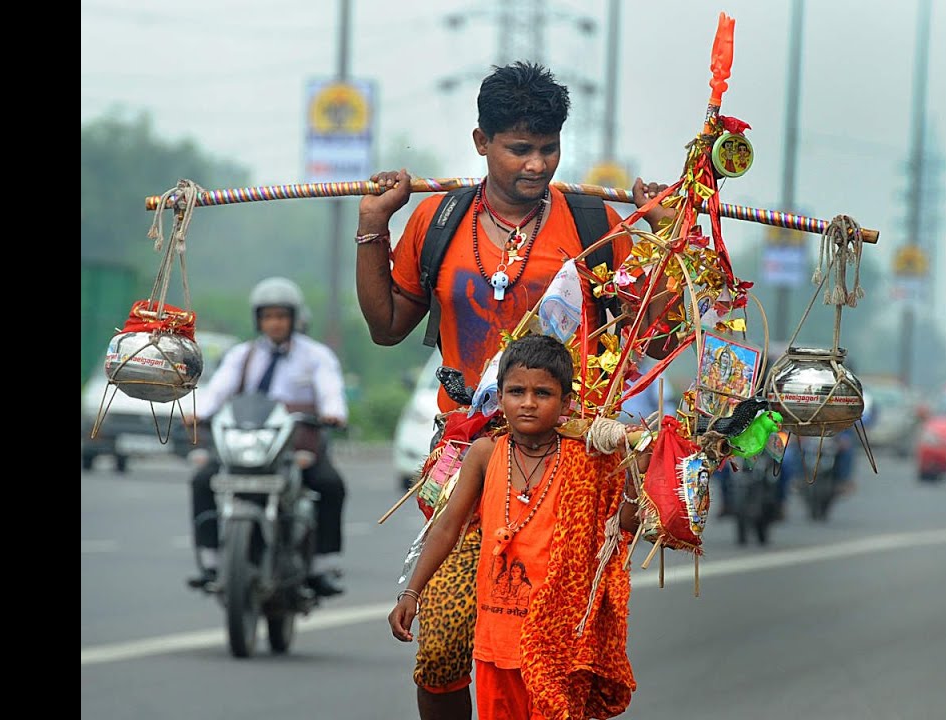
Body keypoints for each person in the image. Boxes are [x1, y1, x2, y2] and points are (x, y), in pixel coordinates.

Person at [356, 61, 675, 719]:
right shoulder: (438, 221)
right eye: (519, 148)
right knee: (442, 650)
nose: (537, 165)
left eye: (549, 149)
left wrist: (664, 239)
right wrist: (372, 226)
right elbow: (386, 327)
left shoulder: (594, 227)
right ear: (482, 142)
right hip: (466, 457)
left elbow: (653, 340)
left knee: (554, 653)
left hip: (569, 464)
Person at [388, 334, 644, 719]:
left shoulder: (587, 458)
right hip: (495, 643)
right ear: (500, 396)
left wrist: (636, 473)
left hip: (557, 643)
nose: (528, 402)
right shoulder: (485, 454)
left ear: (566, 403)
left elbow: (622, 525)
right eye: (516, 391)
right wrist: (412, 592)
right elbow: (447, 527)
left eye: (543, 393)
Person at [184, 276, 349, 598]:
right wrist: (198, 413)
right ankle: (211, 561)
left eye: (281, 316)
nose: (275, 323)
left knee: (330, 485)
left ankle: (322, 567)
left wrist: (333, 413)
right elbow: (219, 389)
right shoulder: (242, 355)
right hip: (249, 440)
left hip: (296, 443)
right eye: (268, 316)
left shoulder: (316, 356)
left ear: (294, 318)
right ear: (258, 320)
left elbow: (330, 389)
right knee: (203, 480)